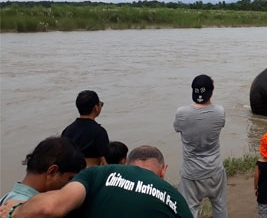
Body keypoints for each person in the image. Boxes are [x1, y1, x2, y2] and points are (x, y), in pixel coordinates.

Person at [0, 145, 193, 218]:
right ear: (163, 171)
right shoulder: (176, 199)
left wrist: (15, 210)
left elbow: (50, 207)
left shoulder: (99, 174)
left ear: (126, 164)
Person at [173, 75, 227, 218]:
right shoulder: (220, 112)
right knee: (220, 206)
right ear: (211, 92)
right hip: (215, 170)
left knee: (188, 211)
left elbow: (177, 128)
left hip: (191, 173)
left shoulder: (181, 113)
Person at [0, 137, 85, 204]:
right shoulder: (31, 210)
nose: (69, 185)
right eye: (70, 179)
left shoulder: (7, 198)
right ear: (52, 171)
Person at [61, 90, 109, 167]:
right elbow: (105, 161)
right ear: (96, 108)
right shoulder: (99, 132)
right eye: (101, 104)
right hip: (91, 173)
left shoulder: (67, 130)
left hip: (71, 173)